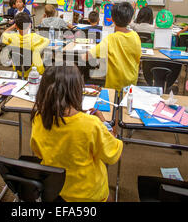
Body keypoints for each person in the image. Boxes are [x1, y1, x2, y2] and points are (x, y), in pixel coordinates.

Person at [30, 65, 122, 202]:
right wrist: (105, 124)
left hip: (55, 188)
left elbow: (38, 152)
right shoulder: (92, 124)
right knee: (108, 197)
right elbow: (113, 155)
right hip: (88, 193)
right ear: (77, 91)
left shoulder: (39, 118)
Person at [82, 2, 141, 91]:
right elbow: (138, 58)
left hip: (114, 85)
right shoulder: (135, 36)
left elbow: (87, 56)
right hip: (131, 84)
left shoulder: (110, 39)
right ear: (130, 20)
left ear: (112, 19)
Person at [1, 12, 49, 78]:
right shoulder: (34, 37)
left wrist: (13, 26)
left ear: (16, 27)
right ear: (29, 25)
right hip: (35, 72)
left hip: (18, 71)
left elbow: (3, 34)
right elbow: (47, 41)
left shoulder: (12, 37)